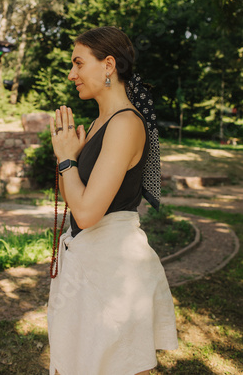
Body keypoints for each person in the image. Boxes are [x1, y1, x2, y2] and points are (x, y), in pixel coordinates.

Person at [49, 26, 178, 375]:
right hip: (88, 266)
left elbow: (88, 212)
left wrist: (65, 159)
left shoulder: (125, 124)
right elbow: (74, 198)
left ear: (108, 65)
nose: (71, 74)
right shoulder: (96, 124)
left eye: (78, 63)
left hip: (113, 273)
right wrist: (68, 157)